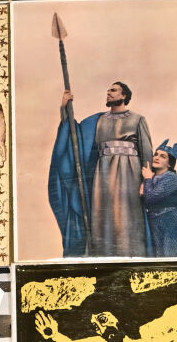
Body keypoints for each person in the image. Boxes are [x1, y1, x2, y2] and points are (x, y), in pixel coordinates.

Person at [50, 81, 154, 256]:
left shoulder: (138, 119)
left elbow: (147, 151)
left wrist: (147, 181)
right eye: (108, 90)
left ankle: (132, 255)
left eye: (113, 90)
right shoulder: (98, 120)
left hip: (130, 173)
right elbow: (75, 134)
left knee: (128, 215)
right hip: (103, 174)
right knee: (103, 216)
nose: (109, 93)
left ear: (124, 95)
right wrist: (64, 108)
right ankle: (105, 255)